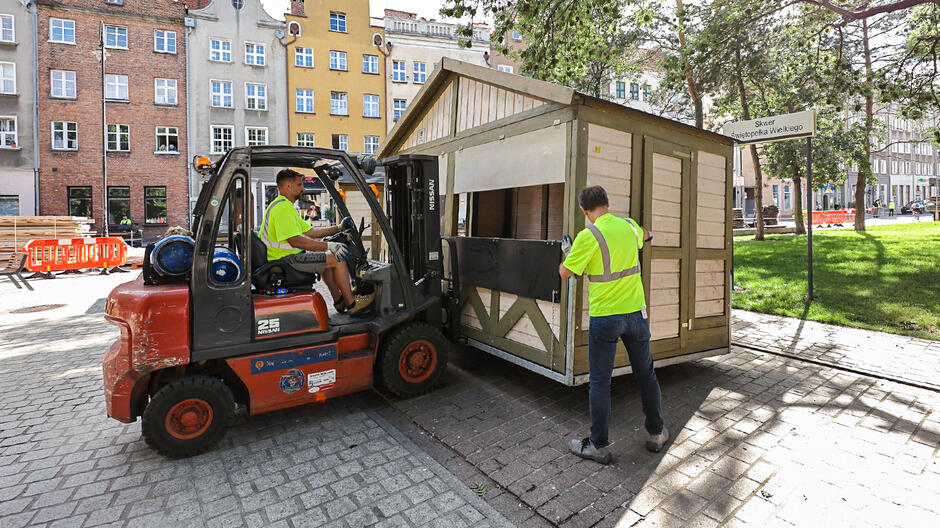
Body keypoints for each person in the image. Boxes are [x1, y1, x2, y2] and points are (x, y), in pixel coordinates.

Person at [559, 186, 667, 465]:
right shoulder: (630, 227)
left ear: (584, 211)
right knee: (646, 374)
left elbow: (565, 272)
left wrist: (569, 252)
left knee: (600, 381)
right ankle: (656, 434)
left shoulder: (588, 236)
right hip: (636, 315)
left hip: (606, 318)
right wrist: (644, 234)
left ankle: (597, 444)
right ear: (608, 203)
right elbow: (646, 234)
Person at [260, 169, 373, 315]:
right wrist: (329, 245)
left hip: (283, 259)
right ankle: (352, 304)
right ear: (288, 186)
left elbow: (311, 232)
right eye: (300, 185)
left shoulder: (285, 207)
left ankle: (339, 300)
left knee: (326, 257)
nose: (303, 188)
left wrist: (339, 227)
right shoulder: (282, 208)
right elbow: (296, 241)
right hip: (283, 261)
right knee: (337, 259)